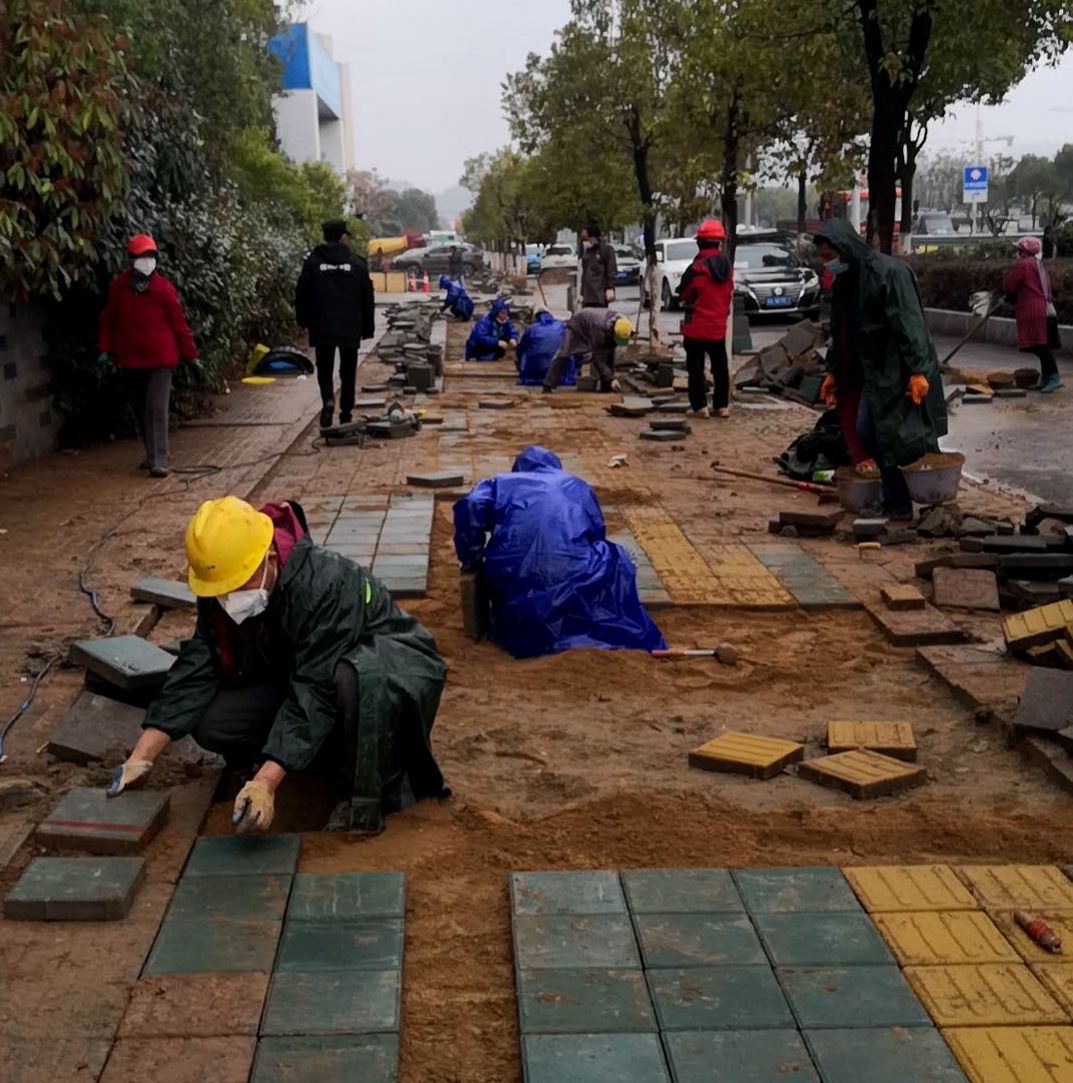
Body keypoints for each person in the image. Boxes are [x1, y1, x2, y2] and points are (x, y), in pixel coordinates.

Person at [106, 496, 448, 834]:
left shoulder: (325, 584)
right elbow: (198, 664)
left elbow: (314, 691)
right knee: (214, 722)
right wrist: (141, 756)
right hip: (302, 675)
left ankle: (358, 789)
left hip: (386, 678)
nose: (229, 598)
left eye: (238, 586)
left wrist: (265, 783)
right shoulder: (221, 583)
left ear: (269, 558)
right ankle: (298, 759)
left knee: (352, 678)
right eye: (222, 591)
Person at [453, 446, 666, 659]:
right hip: (573, 572)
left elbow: (471, 503)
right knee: (616, 556)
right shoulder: (575, 483)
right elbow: (596, 532)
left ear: (519, 468)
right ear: (554, 466)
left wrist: (471, 556)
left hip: (516, 580)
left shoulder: (500, 483)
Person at [812, 219, 947, 518]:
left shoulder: (888, 274)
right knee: (873, 432)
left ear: (844, 247)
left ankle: (911, 498)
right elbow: (840, 330)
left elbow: (909, 324)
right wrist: (833, 370)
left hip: (896, 369)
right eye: (822, 257)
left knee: (898, 436)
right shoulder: (846, 281)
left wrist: (917, 370)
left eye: (828, 255)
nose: (826, 263)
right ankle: (897, 499)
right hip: (871, 373)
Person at [97, 234, 198, 478]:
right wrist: (104, 349)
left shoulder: (163, 289)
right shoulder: (119, 288)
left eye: (150, 256)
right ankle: (151, 453)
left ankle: (159, 460)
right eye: (142, 256)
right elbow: (109, 320)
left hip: (160, 359)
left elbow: (178, 324)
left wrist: (190, 354)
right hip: (130, 359)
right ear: (131, 259)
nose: (146, 261)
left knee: (156, 408)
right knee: (141, 410)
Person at [295, 219, 376, 430]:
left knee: (324, 368)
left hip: (322, 325)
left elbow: (302, 294)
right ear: (343, 237)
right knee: (348, 371)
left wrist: (303, 320)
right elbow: (367, 298)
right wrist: (368, 328)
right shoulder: (357, 264)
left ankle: (328, 400)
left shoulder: (312, 263)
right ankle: (346, 414)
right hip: (350, 326)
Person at [678, 219, 733, 419]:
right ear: (718, 243)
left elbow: (684, 293)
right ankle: (722, 406)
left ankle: (700, 407)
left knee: (695, 368)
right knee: (720, 367)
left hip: (696, 327)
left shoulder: (696, 268)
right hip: (718, 326)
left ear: (700, 243)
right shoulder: (727, 268)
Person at [1003, 236, 1063, 393]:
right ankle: (1046, 377)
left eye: (1018, 250)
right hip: (1044, 307)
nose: (1017, 253)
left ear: (1023, 251)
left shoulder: (1023, 265)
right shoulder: (1038, 264)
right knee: (1041, 344)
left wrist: (1008, 297)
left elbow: (1010, 286)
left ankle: (1054, 377)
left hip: (1032, 309)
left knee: (1040, 345)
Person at [543, 308, 631, 393]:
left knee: (610, 351)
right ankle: (548, 385)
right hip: (577, 324)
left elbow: (611, 349)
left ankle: (606, 387)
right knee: (564, 353)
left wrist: (611, 378)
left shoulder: (625, 323)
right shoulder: (599, 328)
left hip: (594, 323)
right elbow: (598, 359)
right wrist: (611, 379)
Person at [516, 310, 575, 387]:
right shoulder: (561, 326)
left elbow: (521, 348)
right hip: (558, 369)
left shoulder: (531, 328)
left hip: (534, 371)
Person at [580, 225, 618, 308]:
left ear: (593, 237)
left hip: (599, 295)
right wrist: (582, 292)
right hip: (587, 296)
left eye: (587, 239)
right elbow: (584, 273)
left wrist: (610, 287)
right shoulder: (587, 252)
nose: (586, 242)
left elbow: (611, 270)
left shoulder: (605, 250)